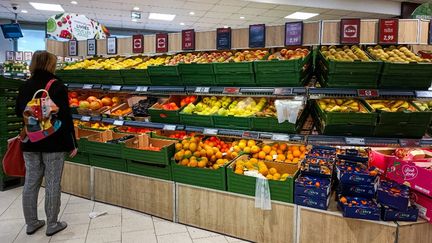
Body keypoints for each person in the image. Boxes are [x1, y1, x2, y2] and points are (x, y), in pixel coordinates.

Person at [15, 50, 78, 236]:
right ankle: (52, 224)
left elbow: (20, 112)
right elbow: (65, 117)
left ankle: (31, 223)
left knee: (31, 183)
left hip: (31, 141)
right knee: (52, 183)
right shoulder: (56, 85)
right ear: (50, 64)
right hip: (54, 141)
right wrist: (72, 143)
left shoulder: (25, 85)